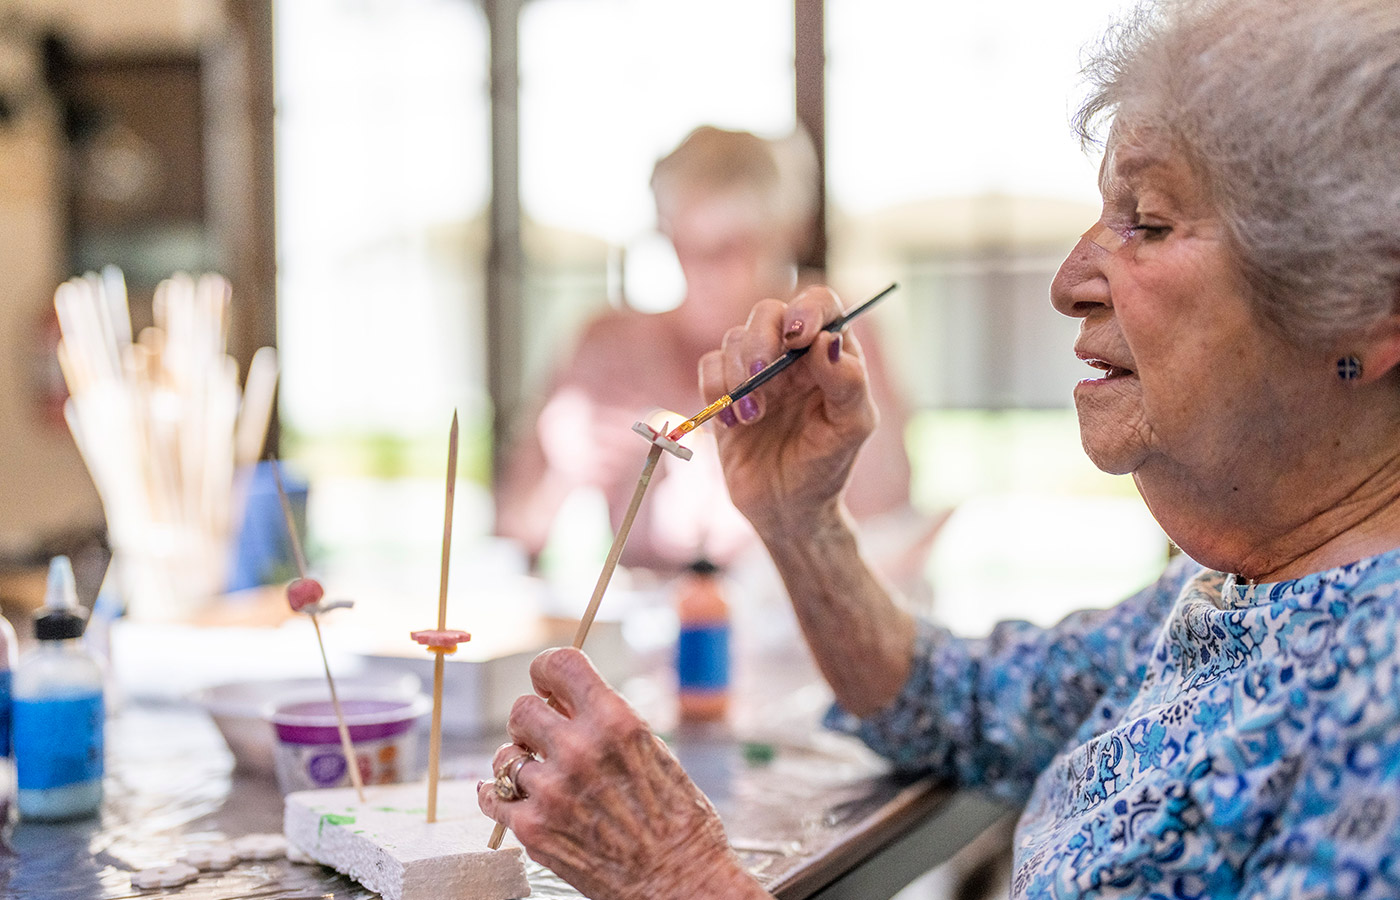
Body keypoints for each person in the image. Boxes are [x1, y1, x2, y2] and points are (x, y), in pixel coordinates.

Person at [480, 0, 1400, 896]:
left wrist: (678, 877)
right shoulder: (1231, 595)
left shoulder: (1382, 698)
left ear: (1366, 301)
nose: (1069, 281)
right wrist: (799, 519)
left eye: (1148, 221)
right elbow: (948, 701)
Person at [493, 125, 918, 575]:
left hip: (788, 617)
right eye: (689, 246)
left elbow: (890, 518)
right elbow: (515, 530)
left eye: (733, 248)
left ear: (787, 233)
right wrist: (563, 468)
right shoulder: (608, 346)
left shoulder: (828, 334)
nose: (709, 272)